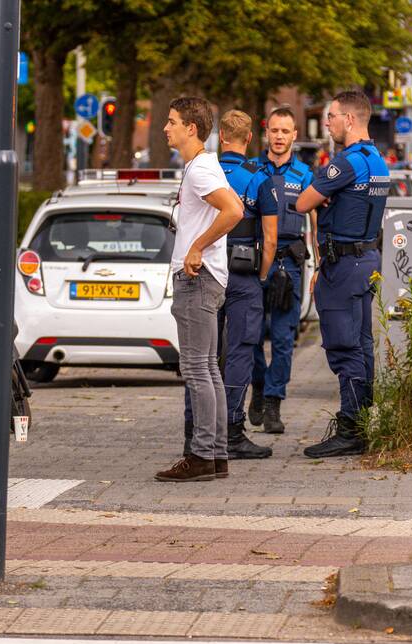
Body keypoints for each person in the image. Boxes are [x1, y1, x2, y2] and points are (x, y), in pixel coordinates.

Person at [296, 90, 389, 457]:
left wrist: (322, 193)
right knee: (362, 345)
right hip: (365, 260)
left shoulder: (346, 162)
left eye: (332, 116)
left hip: (344, 266)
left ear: (350, 119)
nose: (329, 123)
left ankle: (351, 429)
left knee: (344, 346)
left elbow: (303, 201)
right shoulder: (378, 160)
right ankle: (362, 422)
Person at [155, 97, 244, 482]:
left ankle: (202, 455)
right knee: (208, 368)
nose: (165, 128)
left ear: (192, 128)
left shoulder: (200, 171)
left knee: (196, 368)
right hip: (208, 277)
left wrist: (196, 246)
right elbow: (233, 207)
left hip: (197, 278)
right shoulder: (204, 166)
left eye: (172, 122)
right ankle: (216, 454)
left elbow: (233, 210)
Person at [249, 106, 315, 434]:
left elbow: (315, 226)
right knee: (249, 335)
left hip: (289, 262)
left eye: (285, 131)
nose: (279, 137)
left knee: (284, 338)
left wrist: (317, 266)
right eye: (274, 130)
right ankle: (259, 384)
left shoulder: (305, 175)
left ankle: (274, 401)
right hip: (256, 259)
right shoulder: (253, 171)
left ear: (294, 135)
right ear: (266, 133)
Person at [216, 110, 277, 459]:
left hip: (207, 271)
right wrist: (263, 274)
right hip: (243, 274)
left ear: (221, 137)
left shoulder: (205, 173)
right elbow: (269, 240)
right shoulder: (258, 180)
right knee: (241, 349)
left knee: (205, 355)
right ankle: (234, 431)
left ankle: (199, 431)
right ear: (249, 139)